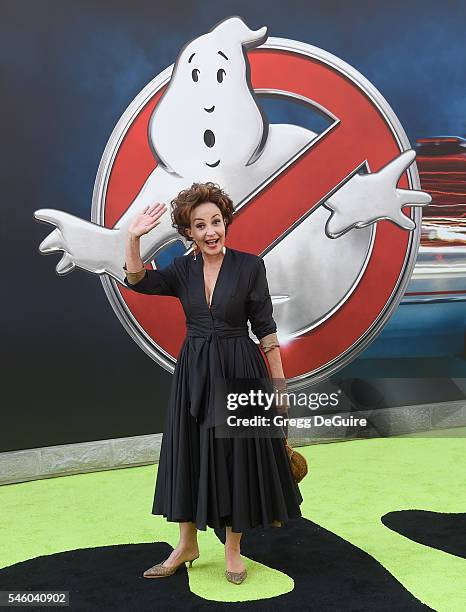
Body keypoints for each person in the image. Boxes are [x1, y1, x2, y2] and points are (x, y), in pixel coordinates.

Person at [123, 182, 302, 585]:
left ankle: (233, 548)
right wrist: (133, 237)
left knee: (234, 457)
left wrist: (279, 385)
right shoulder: (182, 269)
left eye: (216, 222)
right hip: (194, 372)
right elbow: (137, 280)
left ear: (226, 222)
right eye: (199, 225)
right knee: (188, 451)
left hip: (239, 365)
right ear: (188, 232)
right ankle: (186, 543)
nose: (210, 231)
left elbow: (266, 328)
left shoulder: (250, 266)